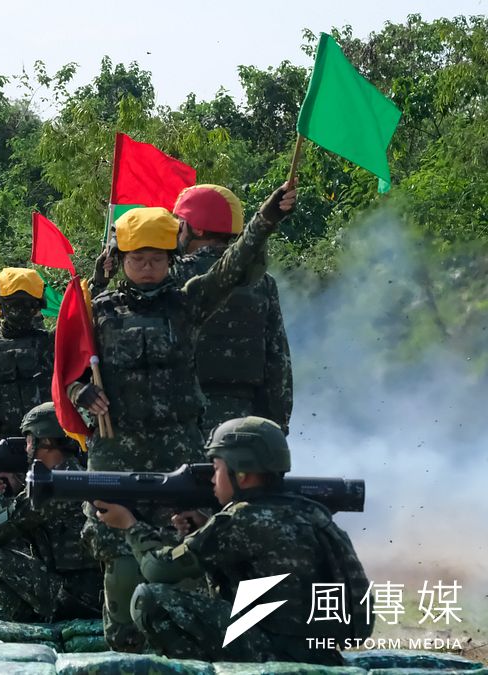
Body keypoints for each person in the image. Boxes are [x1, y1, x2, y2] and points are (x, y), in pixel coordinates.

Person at [69, 181, 297, 651]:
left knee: (184, 548)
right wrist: (80, 391)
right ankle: (124, 652)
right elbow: (66, 367)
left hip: (178, 450)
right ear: (122, 260)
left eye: (157, 259)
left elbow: (232, 267)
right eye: (137, 259)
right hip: (115, 453)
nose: (147, 267)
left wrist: (266, 219)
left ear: (172, 259)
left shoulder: (188, 304)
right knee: (117, 557)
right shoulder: (98, 310)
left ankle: (185, 646)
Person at [92, 416, 372, 665]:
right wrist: (204, 528)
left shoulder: (241, 519)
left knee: (151, 599)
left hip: (268, 652)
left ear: (243, 475)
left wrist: (130, 526)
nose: (212, 480)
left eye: (216, 468)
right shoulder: (312, 512)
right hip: (318, 652)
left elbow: (159, 569)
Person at [0, 403, 104, 622]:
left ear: (46, 440)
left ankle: (32, 623)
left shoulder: (52, 486)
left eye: (29, 440)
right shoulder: (74, 473)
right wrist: (15, 491)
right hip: (90, 594)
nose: (26, 448)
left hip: (73, 597)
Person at [172, 184, 292, 436]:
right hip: (244, 419)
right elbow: (277, 359)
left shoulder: (174, 275)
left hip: (183, 417)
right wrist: (277, 424)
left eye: (180, 222)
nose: (177, 230)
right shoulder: (263, 282)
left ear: (197, 228)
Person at [0, 268, 55, 439]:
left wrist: (98, 282)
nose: (19, 310)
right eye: (13, 303)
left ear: (37, 307)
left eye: (27, 304)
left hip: (49, 446)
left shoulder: (51, 345)